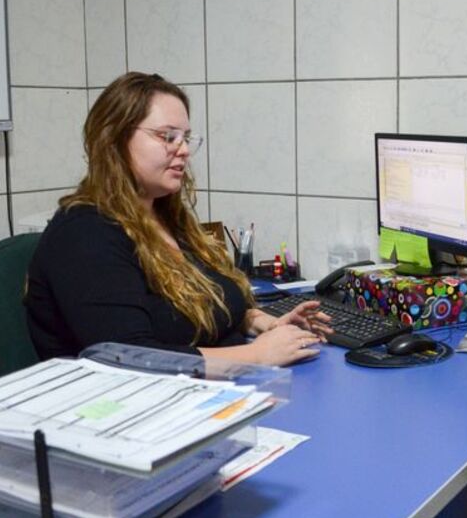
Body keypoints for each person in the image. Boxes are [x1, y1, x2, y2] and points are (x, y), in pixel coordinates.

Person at [25, 72, 329, 367]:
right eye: (167, 136)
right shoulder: (85, 232)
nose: (183, 150)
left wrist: (261, 322)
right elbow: (129, 356)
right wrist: (258, 355)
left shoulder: (164, 216)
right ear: (114, 138)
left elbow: (198, 310)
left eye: (186, 138)